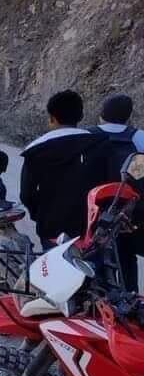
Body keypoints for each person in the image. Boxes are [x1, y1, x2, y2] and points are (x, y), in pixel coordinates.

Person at [20, 90, 109, 248]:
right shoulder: (100, 144)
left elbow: (27, 194)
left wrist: (40, 215)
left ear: (51, 118)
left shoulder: (35, 151)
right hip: (90, 229)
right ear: (81, 116)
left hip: (52, 229)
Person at [90, 94, 144, 292]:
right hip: (128, 212)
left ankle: (98, 298)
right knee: (127, 257)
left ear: (102, 114)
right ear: (128, 116)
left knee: (92, 256)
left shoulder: (87, 135)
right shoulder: (140, 137)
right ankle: (131, 297)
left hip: (93, 210)